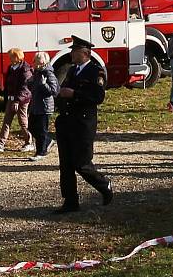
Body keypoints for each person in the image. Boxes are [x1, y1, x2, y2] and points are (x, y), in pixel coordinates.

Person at [53, 36, 113, 213]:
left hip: (83, 123)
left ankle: (103, 184)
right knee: (66, 164)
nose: (71, 53)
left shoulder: (96, 72)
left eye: (75, 51)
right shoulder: (72, 71)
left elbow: (98, 97)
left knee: (82, 163)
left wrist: (75, 94)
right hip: (66, 122)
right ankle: (70, 201)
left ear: (85, 53)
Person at [0, 48, 34, 153]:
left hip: (22, 100)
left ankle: (29, 143)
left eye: (11, 56)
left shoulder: (25, 69)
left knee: (23, 122)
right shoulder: (11, 68)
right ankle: (0, 144)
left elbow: (25, 88)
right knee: (6, 121)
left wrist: (17, 101)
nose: (9, 58)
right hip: (11, 99)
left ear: (17, 57)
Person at [27, 51, 60, 161]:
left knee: (41, 130)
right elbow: (34, 88)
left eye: (36, 61)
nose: (33, 63)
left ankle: (41, 152)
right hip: (35, 105)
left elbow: (54, 91)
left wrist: (43, 84)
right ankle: (48, 141)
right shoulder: (37, 72)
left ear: (42, 62)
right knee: (31, 127)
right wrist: (30, 83)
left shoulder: (48, 73)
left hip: (44, 106)